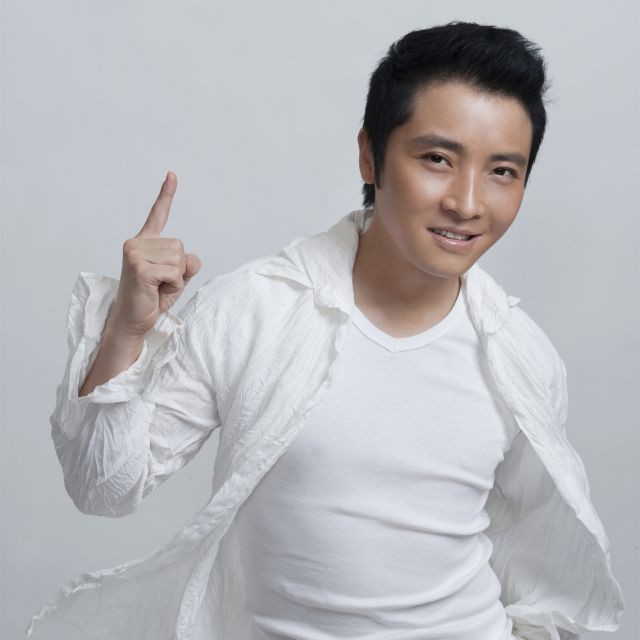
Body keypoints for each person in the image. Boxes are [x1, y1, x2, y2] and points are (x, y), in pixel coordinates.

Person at [26, 20, 624, 640]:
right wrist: (126, 333)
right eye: (437, 159)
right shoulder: (255, 311)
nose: (467, 203)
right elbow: (103, 487)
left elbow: (531, 562)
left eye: (502, 171)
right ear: (370, 154)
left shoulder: (520, 355)